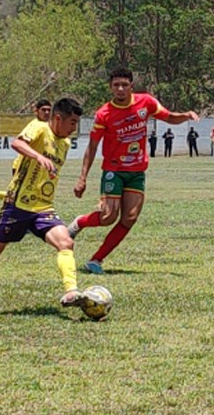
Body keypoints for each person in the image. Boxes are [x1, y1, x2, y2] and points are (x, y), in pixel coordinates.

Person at [0, 98, 85, 312]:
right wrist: (38, 156)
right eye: (72, 122)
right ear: (57, 118)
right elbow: (17, 143)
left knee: (66, 243)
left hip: (43, 207)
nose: (74, 128)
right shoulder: (39, 128)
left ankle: (71, 291)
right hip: (17, 206)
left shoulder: (65, 143)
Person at [67, 67, 199, 274]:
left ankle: (96, 260)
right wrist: (82, 178)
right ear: (110, 87)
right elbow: (92, 146)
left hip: (137, 171)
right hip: (114, 171)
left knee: (129, 218)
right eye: (116, 85)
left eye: (124, 85)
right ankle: (79, 223)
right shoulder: (104, 114)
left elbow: (169, 117)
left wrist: (186, 115)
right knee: (109, 217)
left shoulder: (145, 103)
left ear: (131, 86)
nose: (120, 89)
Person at [0, 99, 51, 207]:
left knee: (24, 195)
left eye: (49, 110)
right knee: (21, 196)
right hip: (23, 166)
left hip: (33, 167)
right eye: (43, 110)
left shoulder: (45, 126)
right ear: (36, 111)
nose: (46, 113)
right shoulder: (36, 125)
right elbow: (19, 143)